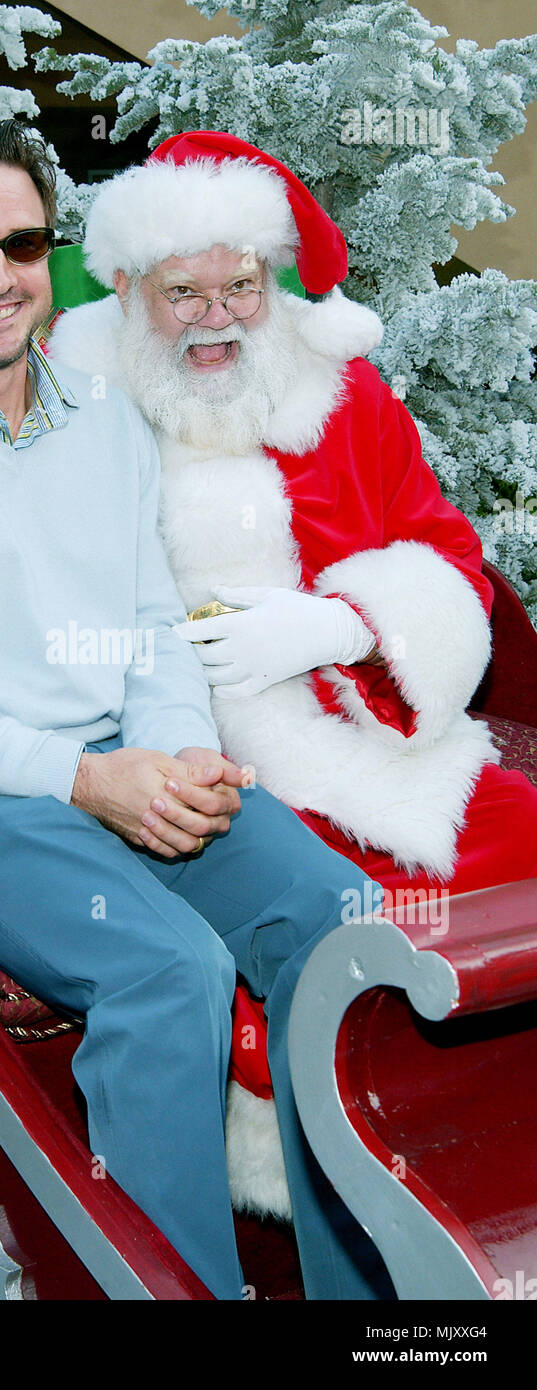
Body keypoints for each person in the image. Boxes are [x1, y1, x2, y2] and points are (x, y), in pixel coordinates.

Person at [0, 115, 392, 1302]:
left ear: (49, 252)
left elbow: (151, 622)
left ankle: (356, 1296)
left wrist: (181, 756)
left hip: (123, 757)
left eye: (19, 242)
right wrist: (82, 780)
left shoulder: (105, 418)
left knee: (336, 917)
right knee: (168, 971)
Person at [48, 129, 537, 1212]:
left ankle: (489, 1158)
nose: (217, 316)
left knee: (518, 850)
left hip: (365, 730)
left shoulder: (344, 395)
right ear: (130, 288)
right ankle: (354, 1178)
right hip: (175, 754)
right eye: (185, 293)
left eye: (242, 287)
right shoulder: (73, 404)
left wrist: (344, 628)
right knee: (329, 911)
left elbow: (445, 549)